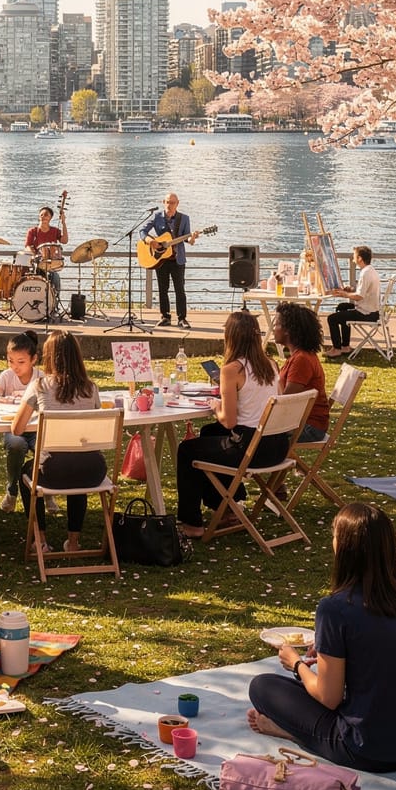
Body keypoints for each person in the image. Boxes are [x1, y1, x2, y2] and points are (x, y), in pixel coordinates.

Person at [247, 503, 396, 771]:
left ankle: (293, 733)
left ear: (344, 547)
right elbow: (395, 653)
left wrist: (295, 663)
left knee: (262, 687)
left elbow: (328, 697)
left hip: (371, 748)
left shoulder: (335, 608)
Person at [176, 310, 283, 538]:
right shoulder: (272, 365)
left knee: (187, 451)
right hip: (277, 446)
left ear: (231, 338)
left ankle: (192, 522)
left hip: (250, 449)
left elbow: (229, 420)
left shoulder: (232, 370)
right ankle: (226, 506)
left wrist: (215, 406)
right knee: (209, 433)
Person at [9, 331, 105, 552]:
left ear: (48, 356)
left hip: (54, 471)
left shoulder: (40, 386)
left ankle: (40, 540)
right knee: (78, 466)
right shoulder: (91, 388)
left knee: (27, 471)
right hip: (92, 470)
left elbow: (17, 428)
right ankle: (73, 542)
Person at [0, 329, 42, 512]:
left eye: (21, 362)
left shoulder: (40, 378)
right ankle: (12, 490)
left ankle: (45, 491)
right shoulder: (6, 376)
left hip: (36, 428)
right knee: (16, 445)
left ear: (33, 359)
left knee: (46, 449)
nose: (15, 367)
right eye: (11, 361)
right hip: (13, 427)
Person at [274, 301, 330, 445]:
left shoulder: (301, 360)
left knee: (254, 433)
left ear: (288, 330)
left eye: (277, 324)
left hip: (309, 427)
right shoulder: (299, 356)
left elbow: (285, 402)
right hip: (302, 421)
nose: (273, 328)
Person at [138, 192, 194, 328]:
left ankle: (182, 318)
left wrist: (191, 239)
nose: (170, 205)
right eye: (168, 202)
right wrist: (151, 241)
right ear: (164, 202)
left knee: (179, 289)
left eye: (173, 202)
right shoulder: (157, 217)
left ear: (177, 203)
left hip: (177, 259)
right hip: (161, 259)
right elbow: (142, 231)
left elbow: (187, 236)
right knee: (163, 289)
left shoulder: (184, 218)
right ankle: (165, 316)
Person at [325, 245, 380, 355]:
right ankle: (345, 346)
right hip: (372, 309)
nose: (353, 258)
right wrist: (351, 290)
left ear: (359, 258)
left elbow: (360, 296)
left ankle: (336, 349)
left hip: (367, 313)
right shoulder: (370, 270)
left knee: (332, 319)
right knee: (342, 308)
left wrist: (345, 294)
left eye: (354, 256)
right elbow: (364, 291)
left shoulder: (365, 273)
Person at [25, 198, 68, 300]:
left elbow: (65, 240)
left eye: (46, 215)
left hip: (51, 265)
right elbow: (27, 246)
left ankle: (54, 305)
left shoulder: (55, 231)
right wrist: (34, 255)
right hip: (36, 264)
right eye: (42, 215)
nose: (43, 217)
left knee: (55, 280)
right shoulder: (33, 231)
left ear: (51, 218)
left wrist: (64, 223)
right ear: (39, 217)